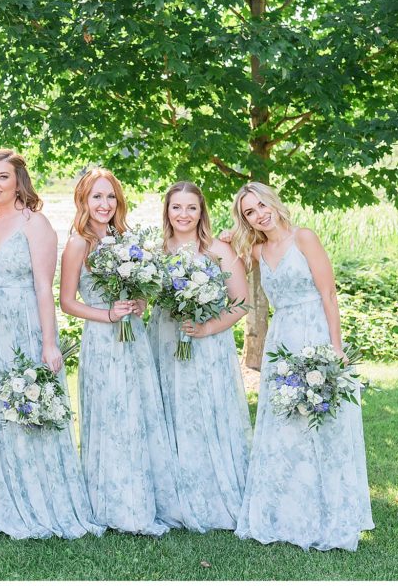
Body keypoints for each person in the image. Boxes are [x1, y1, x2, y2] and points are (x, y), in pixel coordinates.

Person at [0, 149, 102, 539]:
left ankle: (40, 496)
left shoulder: (35, 224)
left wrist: (49, 344)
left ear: (19, 181)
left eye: (2, 177)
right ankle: (0, 494)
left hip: (23, 322)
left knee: (27, 406)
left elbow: (45, 288)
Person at [230, 182, 373, 551]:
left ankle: (329, 512)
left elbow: (328, 294)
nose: (259, 213)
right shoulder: (257, 251)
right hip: (281, 339)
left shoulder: (304, 237)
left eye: (262, 204)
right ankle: (286, 511)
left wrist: (336, 350)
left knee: (323, 423)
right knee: (285, 423)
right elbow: (221, 243)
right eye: (249, 211)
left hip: (315, 333)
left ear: (274, 203)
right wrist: (236, 230)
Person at [59, 168, 183, 535]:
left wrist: (139, 302)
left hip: (135, 341)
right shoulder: (78, 243)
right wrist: (108, 314)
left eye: (110, 196)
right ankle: (113, 503)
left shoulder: (126, 239)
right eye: (96, 196)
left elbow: (140, 289)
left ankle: (145, 498)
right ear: (83, 200)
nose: (104, 204)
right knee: (112, 417)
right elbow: (67, 302)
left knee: (138, 414)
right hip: (101, 340)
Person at [146, 181, 251, 532]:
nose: (184, 215)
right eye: (176, 207)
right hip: (164, 339)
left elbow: (241, 302)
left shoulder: (219, 249)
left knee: (202, 411)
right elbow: (148, 298)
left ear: (201, 211)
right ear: (167, 211)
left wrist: (207, 328)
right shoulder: (157, 251)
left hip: (207, 343)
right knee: (170, 410)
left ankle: (212, 493)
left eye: (191, 208)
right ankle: (172, 496)